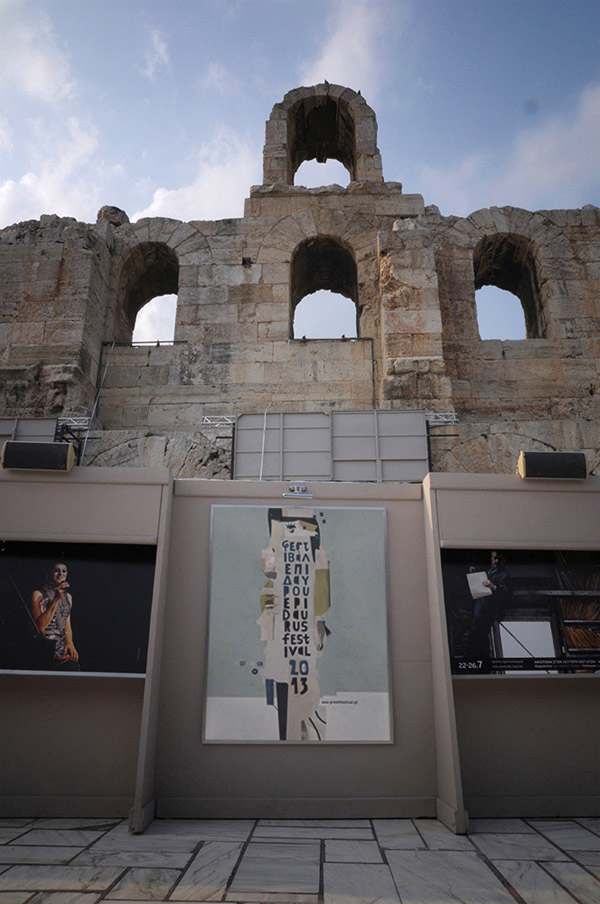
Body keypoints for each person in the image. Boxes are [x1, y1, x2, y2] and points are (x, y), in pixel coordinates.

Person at [258, 508, 330, 741]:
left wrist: (319, 620)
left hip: (296, 631)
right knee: (284, 672)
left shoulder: (312, 556)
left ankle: (294, 724)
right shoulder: (277, 555)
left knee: (290, 673)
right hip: (287, 631)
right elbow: (268, 575)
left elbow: (320, 577)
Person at [30, 562, 79, 670]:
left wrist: (70, 643)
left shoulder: (68, 597)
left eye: (64, 571)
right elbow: (40, 627)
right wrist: (56, 599)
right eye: (56, 570)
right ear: (49, 573)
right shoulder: (38, 594)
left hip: (63, 654)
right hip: (45, 652)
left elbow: (67, 624)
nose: (60, 573)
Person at [466, 550, 512, 661]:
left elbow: (507, 593)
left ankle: (482, 661)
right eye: (493, 558)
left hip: (489, 608)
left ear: (503, 560)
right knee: (474, 630)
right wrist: (474, 572)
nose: (495, 561)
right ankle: (471, 658)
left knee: (481, 633)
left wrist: (493, 586)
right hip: (480, 604)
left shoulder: (504, 575)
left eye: (497, 558)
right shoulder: (489, 571)